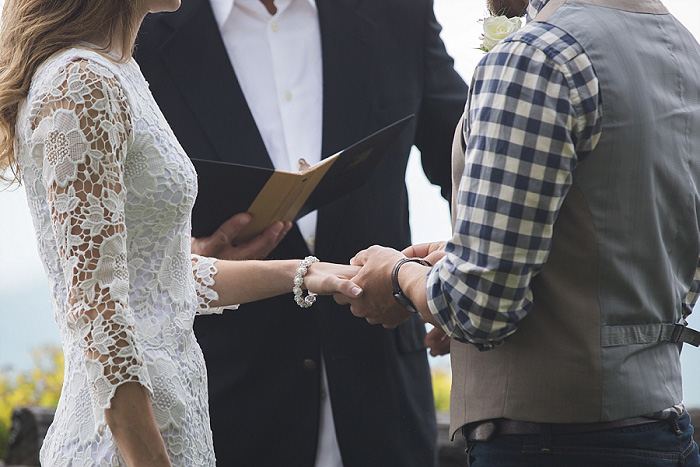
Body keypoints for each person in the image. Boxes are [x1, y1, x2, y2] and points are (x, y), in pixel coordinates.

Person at [0, 0, 361, 465]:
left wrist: (304, 272)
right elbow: (98, 315)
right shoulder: (81, 83)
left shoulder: (120, 71)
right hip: (126, 448)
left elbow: (158, 278)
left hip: (175, 427)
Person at [341, 0, 700, 465]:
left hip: (553, 446)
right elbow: (636, 238)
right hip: (665, 433)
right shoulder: (679, 47)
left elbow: (477, 306)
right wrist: (475, 250)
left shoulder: (536, 55)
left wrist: (399, 275)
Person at [134, 1, 467, 465]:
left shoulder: (397, 9)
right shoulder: (145, 29)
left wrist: (468, 276)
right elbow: (104, 228)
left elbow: (473, 167)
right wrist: (188, 257)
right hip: (229, 408)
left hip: (383, 401)